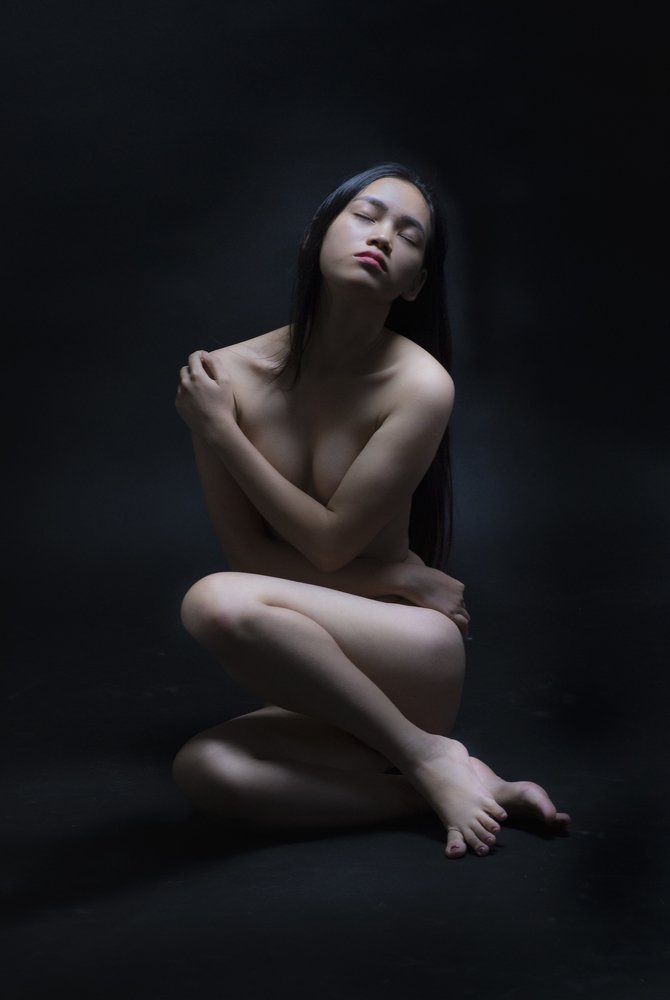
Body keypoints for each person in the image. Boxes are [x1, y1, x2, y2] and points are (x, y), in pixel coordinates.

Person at [172, 162, 569, 858]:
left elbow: (325, 546)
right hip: (321, 670)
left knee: (214, 601)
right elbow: (249, 559)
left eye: (408, 235)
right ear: (314, 238)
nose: (383, 236)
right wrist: (397, 574)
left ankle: (423, 751)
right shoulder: (224, 378)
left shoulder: (418, 384)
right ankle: (448, 779)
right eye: (365, 215)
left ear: (415, 283)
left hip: (409, 651)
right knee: (203, 770)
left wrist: (222, 433)